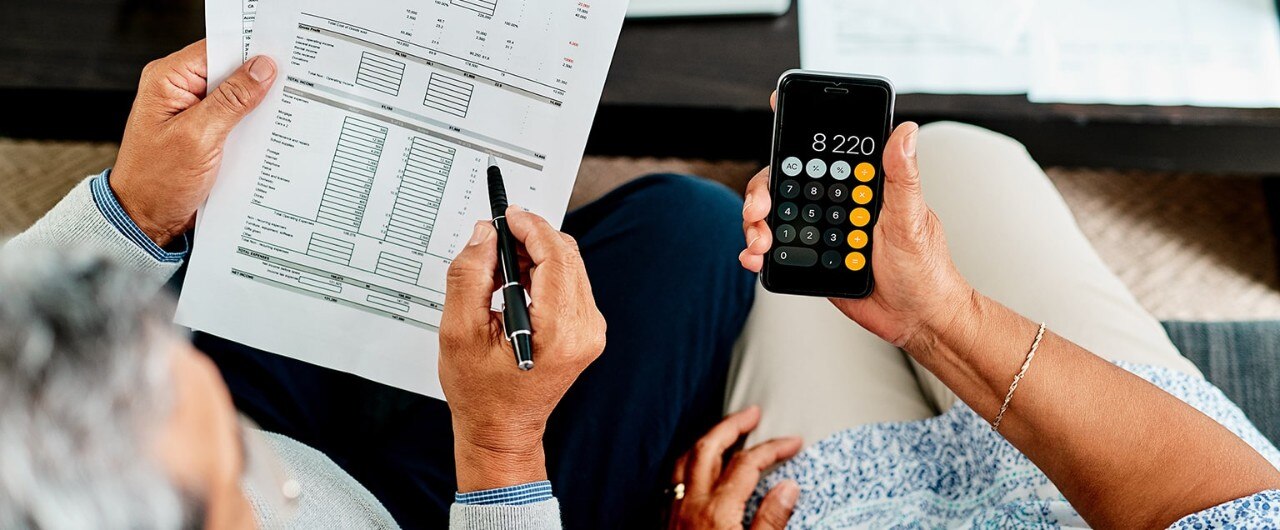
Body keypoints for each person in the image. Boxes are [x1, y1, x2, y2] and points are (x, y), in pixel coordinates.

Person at [3, 40, 758, 528]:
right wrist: (501, 450)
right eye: (234, 479)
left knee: (281, 188)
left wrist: (132, 213)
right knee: (692, 231)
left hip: (284, 441)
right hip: (443, 507)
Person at [666, 110, 1280, 527]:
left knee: (795, 277)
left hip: (857, 508)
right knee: (955, 153)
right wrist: (941, 318)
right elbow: (1230, 504)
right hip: (1123, 478)